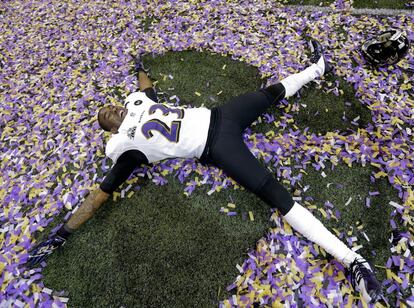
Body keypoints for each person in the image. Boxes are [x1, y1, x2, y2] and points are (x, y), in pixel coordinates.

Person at [27, 40, 382, 303]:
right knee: (277, 196)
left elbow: (144, 88)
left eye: (111, 107)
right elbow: (101, 194)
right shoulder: (126, 146)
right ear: (111, 129)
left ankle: (317, 69)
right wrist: (63, 232)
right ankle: (353, 260)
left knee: (269, 93)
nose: (111, 110)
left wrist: (139, 67)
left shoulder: (134, 112)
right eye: (107, 114)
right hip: (217, 146)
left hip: (220, 117)